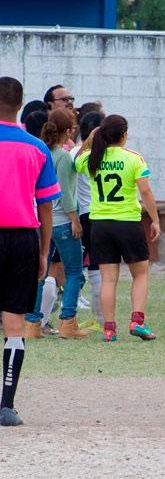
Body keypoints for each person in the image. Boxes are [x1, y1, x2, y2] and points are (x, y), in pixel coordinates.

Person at [0, 76, 61, 426]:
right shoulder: (37, 148)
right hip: (23, 239)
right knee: (14, 323)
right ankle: (6, 407)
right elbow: (47, 206)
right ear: (21, 105)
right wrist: (43, 252)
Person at [74, 115, 161, 342]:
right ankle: (137, 322)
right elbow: (145, 192)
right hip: (128, 223)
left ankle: (109, 329)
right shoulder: (133, 158)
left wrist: (90, 139)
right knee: (140, 274)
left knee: (108, 279)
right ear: (124, 134)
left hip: (100, 225)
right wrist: (155, 219)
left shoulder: (92, 158)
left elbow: (77, 160)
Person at [24, 109, 87, 339]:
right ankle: (68, 322)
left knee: (40, 271)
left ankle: (32, 323)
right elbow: (64, 192)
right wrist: (74, 218)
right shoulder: (63, 157)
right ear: (68, 131)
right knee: (74, 272)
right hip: (62, 221)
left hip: (41, 221)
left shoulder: (40, 152)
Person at [73, 110, 105, 330]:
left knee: (90, 268)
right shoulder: (89, 153)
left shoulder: (78, 152)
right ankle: (100, 319)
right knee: (96, 268)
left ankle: (98, 318)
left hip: (85, 214)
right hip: (96, 215)